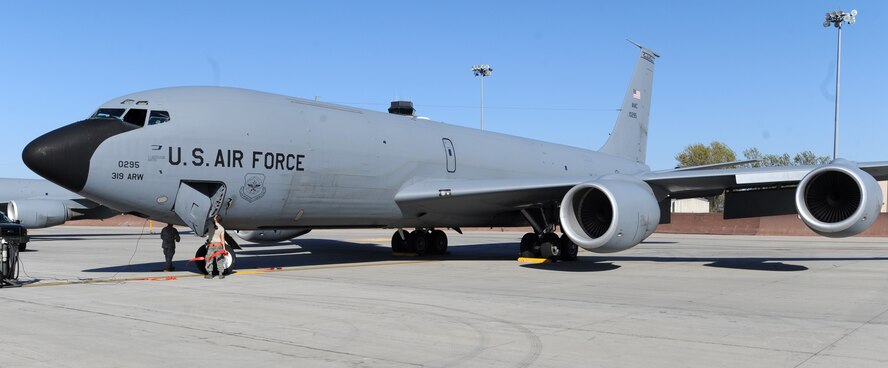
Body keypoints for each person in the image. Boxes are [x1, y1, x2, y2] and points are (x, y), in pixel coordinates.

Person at [205, 214, 228, 279]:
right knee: (219, 260)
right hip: (219, 246)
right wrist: (224, 248)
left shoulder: (210, 225)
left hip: (211, 245)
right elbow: (222, 239)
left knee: (209, 259)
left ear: (215, 219)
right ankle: (220, 274)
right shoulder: (222, 228)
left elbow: (207, 220)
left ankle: (210, 274)